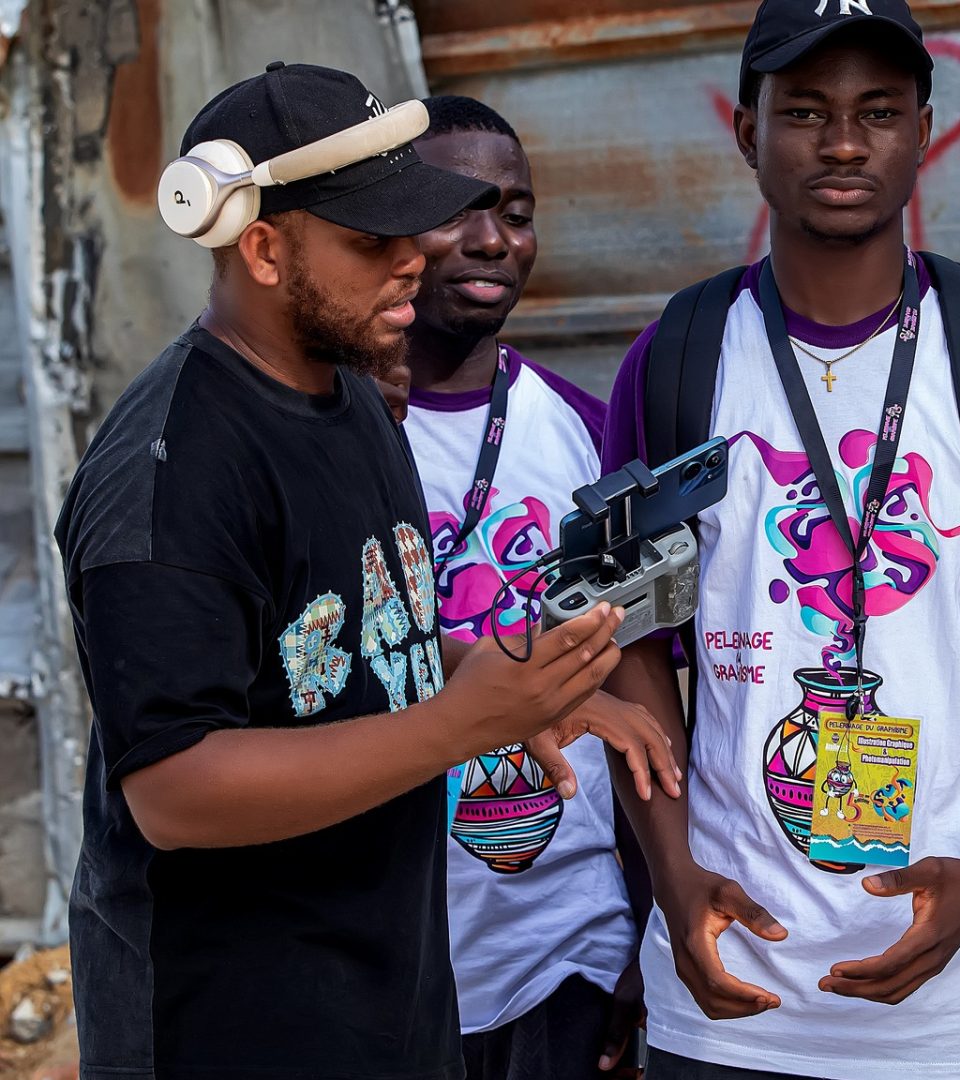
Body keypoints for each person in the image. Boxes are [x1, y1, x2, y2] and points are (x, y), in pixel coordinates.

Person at [597, 1, 960, 1076]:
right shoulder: (678, 361)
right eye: (805, 111)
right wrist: (670, 872)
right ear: (748, 132)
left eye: (878, 112)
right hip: (735, 993)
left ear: (924, 131)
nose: (844, 143)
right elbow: (631, 644)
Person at [53, 63, 625, 1078]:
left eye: (413, 225)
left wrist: (506, 683)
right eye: (371, 240)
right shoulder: (171, 469)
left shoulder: (355, 399)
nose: (413, 260)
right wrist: (460, 726)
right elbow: (175, 791)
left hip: (385, 1014)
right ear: (264, 248)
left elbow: (348, 647)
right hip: (227, 1034)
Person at [401, 95, 671, 1079]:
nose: (492, 240)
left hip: (563, 947)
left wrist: (650, 924)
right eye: (456, 210)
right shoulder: (326, 435)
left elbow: (640, 683)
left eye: (515, 214)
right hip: (387, 951)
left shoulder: (585, 434)